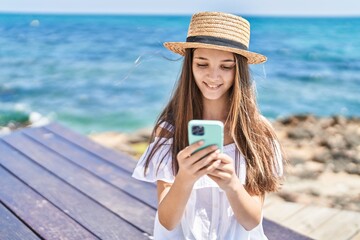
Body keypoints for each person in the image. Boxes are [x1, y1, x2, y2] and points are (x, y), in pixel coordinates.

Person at [132, 11, 284, 240]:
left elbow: (252, 221)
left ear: (239, 70)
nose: (213, 76)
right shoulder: (170, 129)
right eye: (202, 63)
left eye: (226, 66)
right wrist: (185, 177)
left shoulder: (257, 132)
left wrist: (232, 184)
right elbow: (168, 221)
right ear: (189, 66)